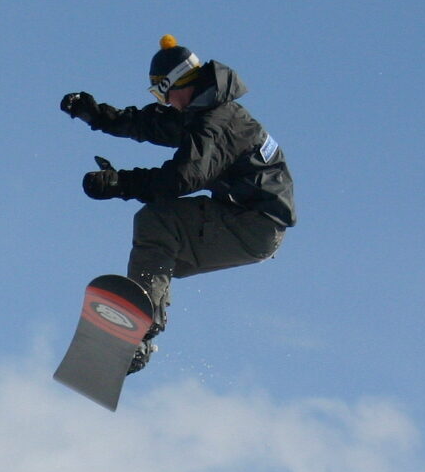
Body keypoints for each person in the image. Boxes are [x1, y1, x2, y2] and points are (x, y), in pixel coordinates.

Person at [59, 36, 296, 372]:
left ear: (176, 83)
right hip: (250, 222)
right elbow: (150, 123)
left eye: (162, 93)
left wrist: (121, 183)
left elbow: (183, 178)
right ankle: (140, 328)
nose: (166, 102)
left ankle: (137, 332)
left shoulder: (215, 123)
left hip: (254, 223)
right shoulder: (203, 110)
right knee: (158, 253)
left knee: (158, 223)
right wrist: (97, 116)